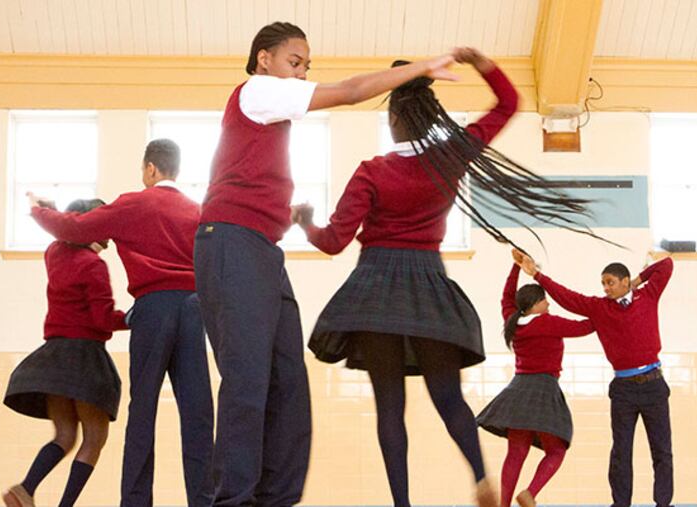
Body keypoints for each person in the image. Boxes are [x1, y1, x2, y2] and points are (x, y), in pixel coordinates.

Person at [193, 21, 461, 507]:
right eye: (295, 63)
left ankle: (275, 498)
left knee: (289, 380)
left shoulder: (272, 112)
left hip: (262, 248)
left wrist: (288, 215)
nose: (301, 74)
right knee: (248, 380)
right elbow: (352, 91)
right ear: (264, 60)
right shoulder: (257, 91)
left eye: (306, 67)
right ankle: (230, 499)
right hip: (231, 241)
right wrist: (421, 68)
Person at [290, 45, 531, 507]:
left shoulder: (373, 172)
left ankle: (402, 503)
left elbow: (333, 241)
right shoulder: (452, 155)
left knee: (389, 408)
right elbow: (509, 104)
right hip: (429, 286)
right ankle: (480, 476)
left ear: (394, 117)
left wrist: (304, 221)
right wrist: (482, 64)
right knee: (448, 397)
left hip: (376, 290)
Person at [28, 139, 213, 507]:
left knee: (143, 409)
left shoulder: (133, 203)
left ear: (150, 168)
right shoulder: (199, 211)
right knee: (198, 412)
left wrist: (38, 211)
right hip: (195, 309)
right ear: (176, 169)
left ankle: (135, 502)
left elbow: (75, 228)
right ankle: (205, 501)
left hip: (152, 309)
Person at [516, 252, 675, 507]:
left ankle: (664, 504)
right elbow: (568, 298)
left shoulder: (648, 295)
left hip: (654, 384)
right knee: (621, 452)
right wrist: (537, 274)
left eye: (610, 282)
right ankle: (620, 504)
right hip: (623, 389)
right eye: (603, 283)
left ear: (624, 281)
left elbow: (666, 265)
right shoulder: (600, 308)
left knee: (662, 451)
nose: (606, 287)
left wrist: (639, 280)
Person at [2, 198, 127, 507]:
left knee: (64, 435)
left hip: (54, 358)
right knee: (94, 439)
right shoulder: (93, 265)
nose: (109, 239)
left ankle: (25, 489)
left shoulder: (54, 253)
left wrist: (56, 212)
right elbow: (102, 320)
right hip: (85, 357)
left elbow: (63, 235)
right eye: (103, 227)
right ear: (85, 224)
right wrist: (135, 317)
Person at [477, 250, 595, 507]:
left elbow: (507, 297)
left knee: (516, 452)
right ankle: (530, 492)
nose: (549, 305)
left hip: (518, 390)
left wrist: (515, 267)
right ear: (536, 304)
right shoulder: (547, 322)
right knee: (556, 450)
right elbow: (585, 327)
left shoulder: (512, 320)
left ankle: (504, 504)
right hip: (544, 388)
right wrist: (605, 311)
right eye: (545, 301)